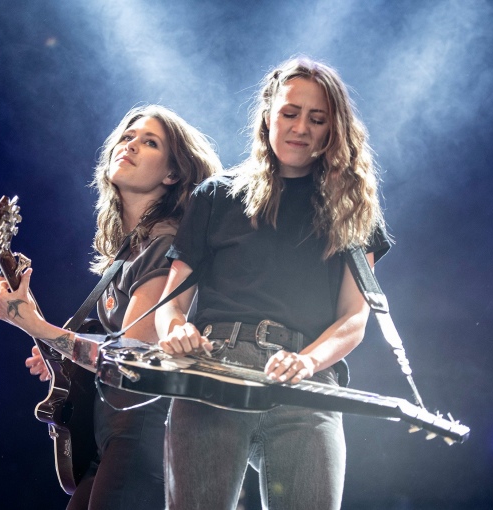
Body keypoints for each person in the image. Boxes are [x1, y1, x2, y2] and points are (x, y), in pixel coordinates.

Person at [154, 56, 391, 509]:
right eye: (289, 113)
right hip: (213, 373)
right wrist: (176, 330)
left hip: (307, 383)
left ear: (332, 130)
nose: (300, 126)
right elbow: (170, 305)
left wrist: (306, 361)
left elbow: (355, 317)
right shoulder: (217, 195)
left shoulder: (353, 209)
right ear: (268, 117)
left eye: (316, 118)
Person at [0, 104, 221, 509]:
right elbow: (97, 353)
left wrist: (41, 329)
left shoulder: (164, 245)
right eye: (128, 136)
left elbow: (130, 358)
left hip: (146, 431)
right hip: (112, 433)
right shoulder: (129, 254)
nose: (129, 145)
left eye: (149, 143)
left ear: (172, 174)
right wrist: (55, 348)